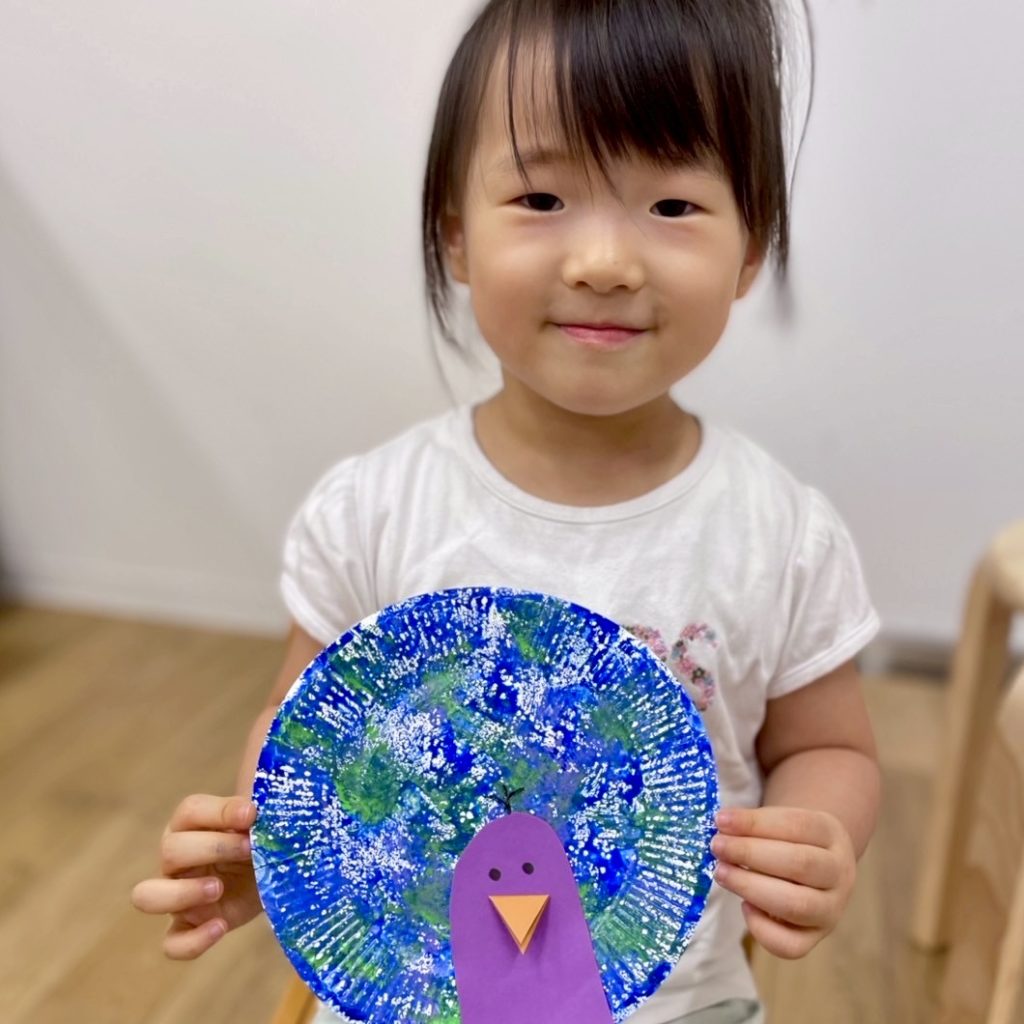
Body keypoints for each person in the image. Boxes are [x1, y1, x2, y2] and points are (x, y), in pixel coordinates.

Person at [131, 1, 881, 1022]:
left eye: (672, 204)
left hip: (675, 1001)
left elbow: (829, 748)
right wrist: (270, 848)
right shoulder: (375, 512)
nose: (604, 260)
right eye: (541, 197)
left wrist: (819, 835)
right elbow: (306, 725)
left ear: (752, 247)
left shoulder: (780, 536)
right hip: (415, 994)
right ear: (455, 235)